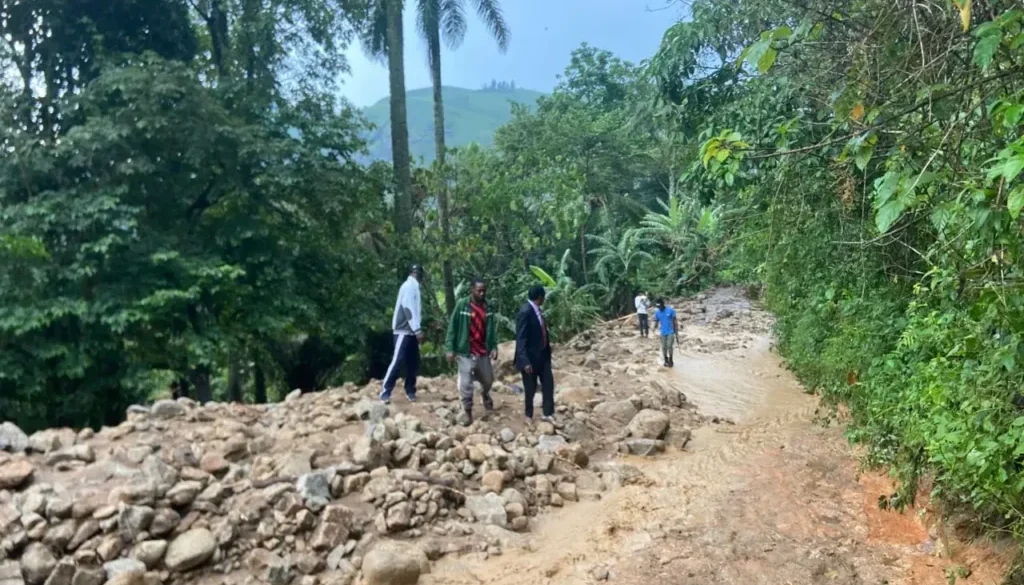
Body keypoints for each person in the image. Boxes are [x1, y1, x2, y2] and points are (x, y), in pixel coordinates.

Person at [445, 278, 498, 425]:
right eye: (479, 291)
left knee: (488, 380)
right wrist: (449, 348)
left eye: (484, 291)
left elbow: (491, 329)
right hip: (465, 350)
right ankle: (468, 411)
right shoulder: (462, 305)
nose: (482, 293)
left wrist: (493, 346)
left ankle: (485, 393)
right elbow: (452, 327)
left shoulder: (488, 307)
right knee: (465, 381)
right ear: (472, 290)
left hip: (482, 349)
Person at [380, 264, 424, 404]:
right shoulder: (408, 286)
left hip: (411, 331)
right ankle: (385, 392)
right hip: (403, 330)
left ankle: (410, 390)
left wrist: (416, 329)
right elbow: (408, 308)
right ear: (413, 273)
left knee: (413, 362)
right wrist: (417, 329)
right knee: (397, 360)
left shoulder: (415, 287)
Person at [515, 285, 555, 422]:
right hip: (530, 357)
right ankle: (528, 415)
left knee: (548, 384)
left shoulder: (537, 310)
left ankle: (548, 413)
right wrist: (524, 360)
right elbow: (521, 338)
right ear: (540, 297)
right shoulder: (525, 312)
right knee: (530, 388)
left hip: (543, 355)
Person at [653, 298, 680, 367]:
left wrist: (676, 330)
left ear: (663, 304)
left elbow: (675, 320)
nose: (659, 308)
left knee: (669, 346)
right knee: (664, 347)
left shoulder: (670, 310)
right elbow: (656, 321)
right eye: (658, 307)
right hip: (662, 332)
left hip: (670, 331)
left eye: (660, 306)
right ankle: (666, 359)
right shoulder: (657, 312)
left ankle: (671, 359)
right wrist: (654, 328)